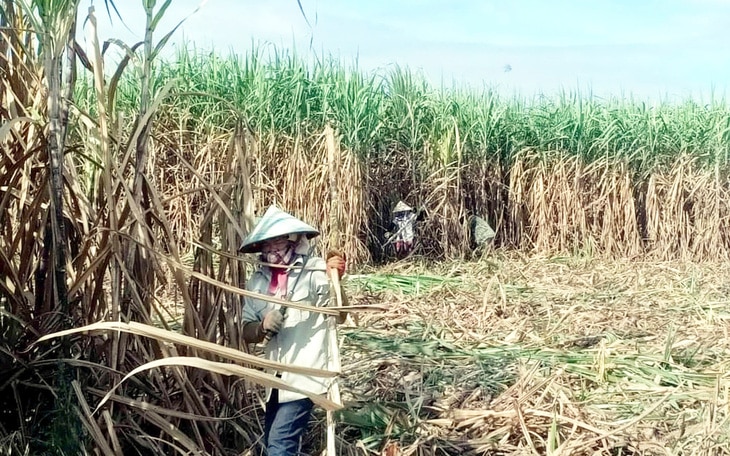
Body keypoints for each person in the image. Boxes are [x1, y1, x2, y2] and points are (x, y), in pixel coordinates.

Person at [239, 205, 347, 455]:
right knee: (273, 443)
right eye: (268, 246)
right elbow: (246, 330)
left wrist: (336, 278)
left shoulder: (314, 270)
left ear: (294, 242)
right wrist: (262, 326)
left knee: (279, 446)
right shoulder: (257, 282)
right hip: (274, 379)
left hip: (305, 375)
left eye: (279, 243)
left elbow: (339, 314)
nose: (274, 251)